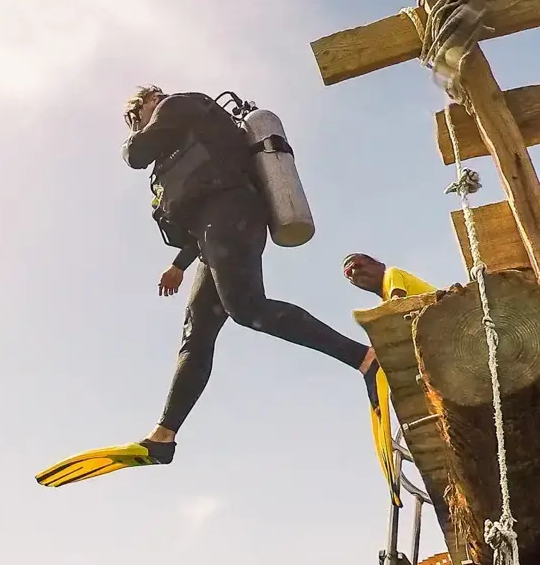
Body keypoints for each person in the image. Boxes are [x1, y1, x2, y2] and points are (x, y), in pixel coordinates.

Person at [125, 85, 379, 461]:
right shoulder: (185, 141)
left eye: (137, 117)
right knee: (196, 335)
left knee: (247, 308)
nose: (139, 124)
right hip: (215, 227)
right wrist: (179, 266)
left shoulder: (176, 105)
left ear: (149, 102)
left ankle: (365, 359)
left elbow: (134, 155)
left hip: (231, 210)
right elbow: (197, 212)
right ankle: (164, 437)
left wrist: (134, 135)